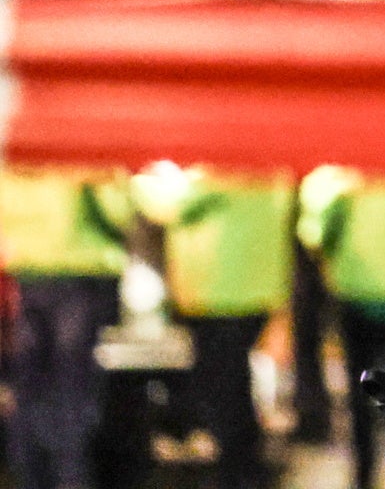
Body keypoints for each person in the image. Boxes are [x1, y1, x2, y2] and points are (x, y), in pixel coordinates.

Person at [127, 165, 294, 489]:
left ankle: (240, 474)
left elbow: (168, 206)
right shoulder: (271, 170)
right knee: (232, 385)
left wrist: (137, 174)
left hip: (218, 294)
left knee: (223, 391)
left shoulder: (216, 172)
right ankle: (244, 470)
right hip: (255, 291)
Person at [297, 167, 385, 489]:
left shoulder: (336, 177)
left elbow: (314, 233)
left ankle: (364, 476)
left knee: (360, 394)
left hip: (357, 294)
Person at [0, 167, 136, 489]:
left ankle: (33, 477)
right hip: (80, 270)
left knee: (31, 388)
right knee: (72, 390)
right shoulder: (81, 146)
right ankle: (70, 478)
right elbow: (119, 212)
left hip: (27, 268)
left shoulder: (18, 143)